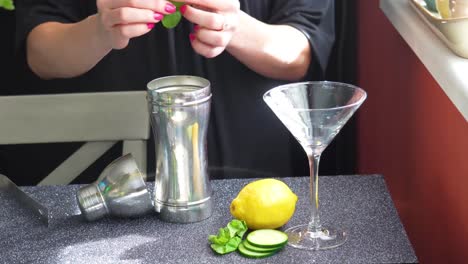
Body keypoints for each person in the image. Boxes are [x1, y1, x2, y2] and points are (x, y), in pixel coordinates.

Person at [13, 0, 335, 182]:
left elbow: (299, 53)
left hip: (250, 180)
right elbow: (41, 54)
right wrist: (101, 31)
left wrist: (233, 27)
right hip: (105, 187)